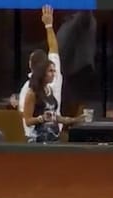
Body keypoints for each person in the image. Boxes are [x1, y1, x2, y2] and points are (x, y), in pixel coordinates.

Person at [16, 5, 63, 140]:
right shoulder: (55, 74)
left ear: (31, 65)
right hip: (54, 136)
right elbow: (53, 48)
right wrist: (48, 25)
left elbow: (24, 114)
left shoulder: (28, 88)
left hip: (35, 139)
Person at [21, 58, 81, 143]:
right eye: (50, 71)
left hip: (54, 137)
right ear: (42, 73)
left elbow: (54, 117)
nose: (53, 74)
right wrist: (41, 118)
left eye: (54, 71)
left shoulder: (49, 90)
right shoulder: (32, 93)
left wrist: (74, 120)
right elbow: (28, 121)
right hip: (39, 138)